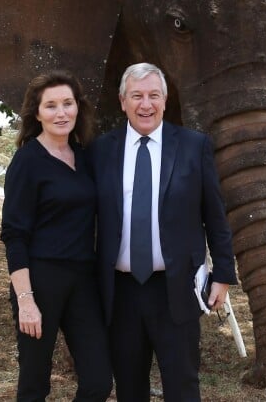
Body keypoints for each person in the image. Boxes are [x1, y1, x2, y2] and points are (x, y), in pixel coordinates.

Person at [89, 62, 237, 402]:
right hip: (120, 291)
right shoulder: (101, 151)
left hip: (177, 289)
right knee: (129, 388)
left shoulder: (193, 146)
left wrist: (224, 274)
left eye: (154, 95)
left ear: (166, 101)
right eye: (137, 96)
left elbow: (215, 217)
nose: (146, 104)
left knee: (183, 386)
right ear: (122, 101)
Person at [0, 70, 113, 402]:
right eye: (51, 106)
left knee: (98, 381)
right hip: (40, 280)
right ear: (37, 113)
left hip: (83, 282)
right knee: (35, 386)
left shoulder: (85, 156)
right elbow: (14, 235)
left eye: (68, 103)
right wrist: (26, 301)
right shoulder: (27, 162)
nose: (61, 113)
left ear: (78, 108)